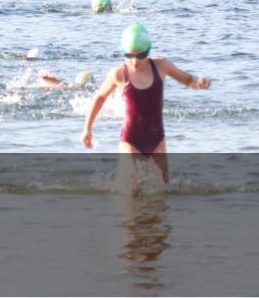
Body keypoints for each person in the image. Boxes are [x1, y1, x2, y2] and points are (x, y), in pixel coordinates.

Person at [81, 24, 211, 182]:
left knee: (163, 188)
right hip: (131, 140)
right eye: (129, 55)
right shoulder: (119, 74)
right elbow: (100, 97)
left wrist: (199, 82)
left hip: (157, 139)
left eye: (140, 55)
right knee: (131, 190)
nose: (134, 61)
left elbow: (188, 80)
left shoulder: (161, 66)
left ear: (148, 51)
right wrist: (87, 129)